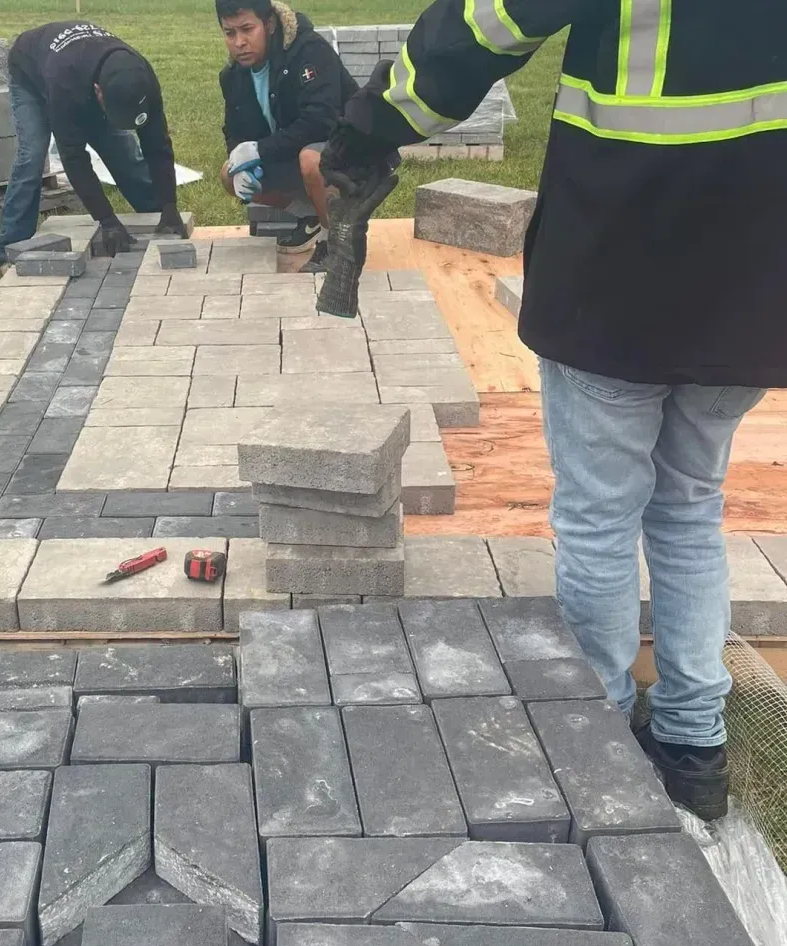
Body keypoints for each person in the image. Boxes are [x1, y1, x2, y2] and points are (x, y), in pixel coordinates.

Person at [323, 0, 787, 820]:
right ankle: (693, 746)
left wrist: (367, 126)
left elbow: (481, 30)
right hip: (751, 276)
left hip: (616, 263)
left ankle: (598, 727)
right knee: (690, 509)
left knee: (601, 517)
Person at [0, 22, 185, 266]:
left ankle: (157, 217)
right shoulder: (63, 81)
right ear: (99, 92)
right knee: (32, 155)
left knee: (123, 152)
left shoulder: (141, 76)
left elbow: (157, 144)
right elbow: (74, 157)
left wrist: (169, 205)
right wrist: (106, 220)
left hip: (84, 72)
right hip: (31, 73)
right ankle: (9, 248)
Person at [217, 0, 357, 273]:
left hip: (352, 154)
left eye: (247, 29)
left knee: (313, 160)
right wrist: (242, 160)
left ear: (268, 24)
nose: (239, 42)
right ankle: (310, 216)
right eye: (229, 33)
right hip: (294, 153)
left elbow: (321, 123)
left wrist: (260, 150)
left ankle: (338, 245)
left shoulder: (309, 51)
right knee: (229, 174)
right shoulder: (233, 75)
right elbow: (234, 131)